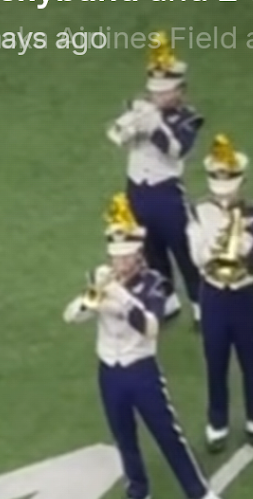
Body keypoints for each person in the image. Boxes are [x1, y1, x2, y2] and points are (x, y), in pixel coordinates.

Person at [63, 194, 232, 499]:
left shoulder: (153, 283)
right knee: (123, 435)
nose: (119, 263)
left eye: (125, 257)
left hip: (141, 369)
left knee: (167, 432)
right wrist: (89, 300)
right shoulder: (101, 277)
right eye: (115, 257)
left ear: (138, 255)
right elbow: (70, 316)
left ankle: (200, 491)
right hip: (109, 371)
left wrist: (121, 298)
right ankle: (137, 491)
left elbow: (151, 328)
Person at [107, 31, 203, 326]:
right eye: (155, 91)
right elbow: (116, 135)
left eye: (165, 91)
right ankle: (167, 301)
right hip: (137, 189)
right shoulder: (139, 107)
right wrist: (131, 125)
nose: (158, 96)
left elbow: (176, 149)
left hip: (166, 192)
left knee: (184, 249)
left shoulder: (188, 117)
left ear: (180, 91)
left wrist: (155, 125)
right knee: (149, 247)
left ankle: (200, 305)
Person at [188, 134, 253, 452]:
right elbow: (195, 256)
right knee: (215, 362)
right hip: (213, 296)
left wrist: (244, 251)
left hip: (244, 297)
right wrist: (215, 250)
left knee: (251, 361)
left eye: (230, 185)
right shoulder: (198, 211)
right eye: (218, 186)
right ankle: (217, 423)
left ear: (242, 181)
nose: (223, 194)